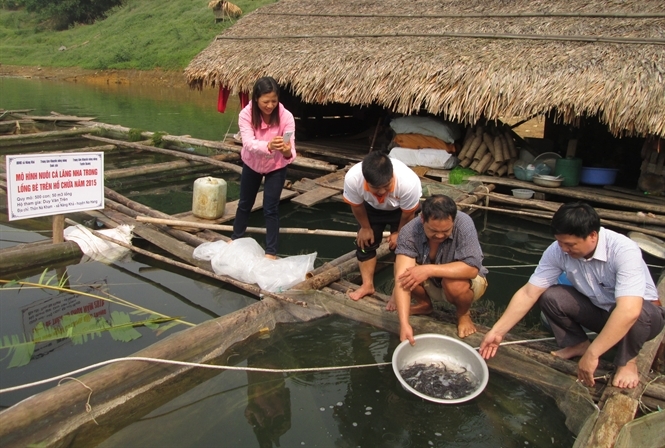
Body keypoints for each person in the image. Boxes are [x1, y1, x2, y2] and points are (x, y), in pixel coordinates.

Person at [480, 202, 665, 389]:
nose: (564, 249)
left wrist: (593, 355)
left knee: (638, 312)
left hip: (643, 321)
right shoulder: (557, 250)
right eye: (560, 242)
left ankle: (627, 361)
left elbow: (628, 311)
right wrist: (497, 332)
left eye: (570, 244)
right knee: (550, 296)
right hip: (600, 311)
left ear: (593, 235)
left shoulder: (623, 250)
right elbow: (529, 292)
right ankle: (578, 343)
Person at [391, 195, 488, 340]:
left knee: (454, 282)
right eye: (433, 230)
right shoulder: (409, 231)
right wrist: (404, 324)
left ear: (453, 221)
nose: (440, 235)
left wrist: (428, 269)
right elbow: (401, 279)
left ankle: (463, 314)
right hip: (433, 282)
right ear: (423, 219)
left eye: (446, 231)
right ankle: (424, 305)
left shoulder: (464, 224)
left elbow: (472, 269)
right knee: (403, 270)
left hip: (466, 283)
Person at [342, 151, 422, 301]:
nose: (382, 191)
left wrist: (399, 232)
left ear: (392, 176)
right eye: (376, 188)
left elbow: (408, 214)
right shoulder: (353, 178)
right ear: (366, 180)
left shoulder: (408, 182)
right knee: (365, 244)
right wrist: (365, 228)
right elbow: (357, 205)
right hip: (371, 208)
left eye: (386, 186)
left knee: (403, 246)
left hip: (400, 211)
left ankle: (397, 292)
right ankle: (367, 285)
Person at [232, 76, 296, 259]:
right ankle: (236, 237)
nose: (270, 106)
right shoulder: (246, 114)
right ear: (256, 99)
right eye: (265, 101)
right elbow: (248, 143)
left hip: (276, 165)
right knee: (245, 203)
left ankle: (271, 251)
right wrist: (268, 146)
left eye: (274, 101)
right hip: (252, 162)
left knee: (271, 208)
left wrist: (285, 150)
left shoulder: (286, 116)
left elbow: (290, 150)